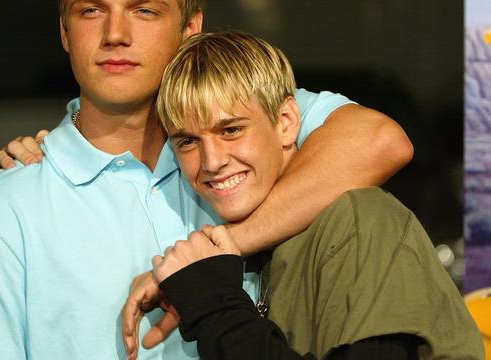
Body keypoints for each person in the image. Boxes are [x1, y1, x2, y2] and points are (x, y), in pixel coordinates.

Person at [0, 0, 413, 359]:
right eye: (91, 10)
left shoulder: (244, 133)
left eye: (144, 10)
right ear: (64, 32)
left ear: (190, 28)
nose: (116, 33)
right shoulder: (5, 212)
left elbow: (380, 141)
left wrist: (222, 249)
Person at [121, 31, 483, 359]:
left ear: (286, 122)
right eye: (188, 142)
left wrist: (213, 304)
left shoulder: (358, 220)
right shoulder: (269, 245)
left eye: (231, 130)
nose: (212, 162)